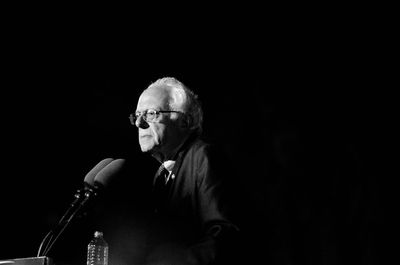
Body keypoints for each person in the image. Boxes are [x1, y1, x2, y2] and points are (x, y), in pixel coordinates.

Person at [128, 77, 240, 265]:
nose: (139, 123)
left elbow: (226, 235)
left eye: (150, 114)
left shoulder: (204, 157)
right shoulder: (161, 175)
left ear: (184, 121)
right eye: (137, 115)